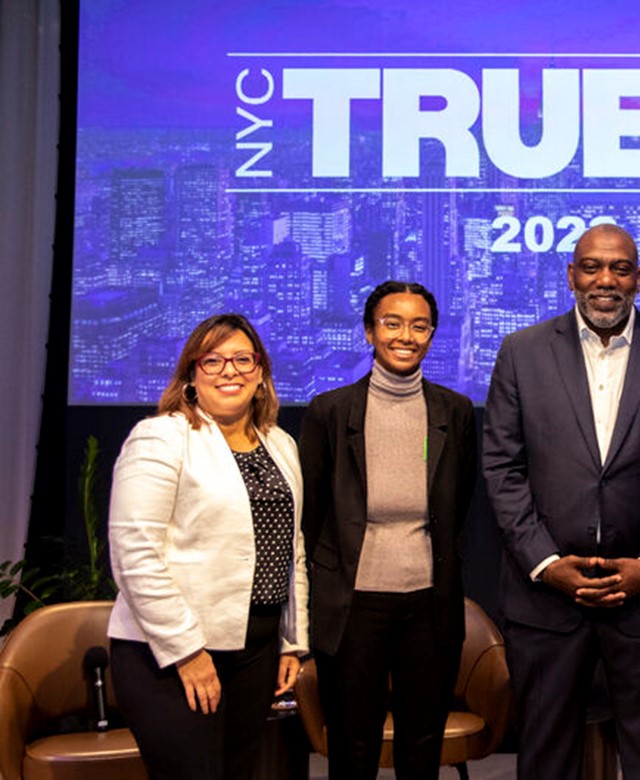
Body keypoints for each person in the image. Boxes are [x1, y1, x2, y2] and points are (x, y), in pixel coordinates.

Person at [483, 223, 640, 780]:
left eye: (619, 268)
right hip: (545, 600)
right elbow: (502, 467)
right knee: (545, 761)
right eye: (591, 266)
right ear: (571, 275)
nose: (605, 279)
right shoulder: (521, 353)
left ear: (639, 278)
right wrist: (545, 564)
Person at [107, 313, 307, 780]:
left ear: (260, 373)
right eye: (213, 360)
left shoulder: (280, 443)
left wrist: (293, 642)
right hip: (169, 652)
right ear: (191, 376)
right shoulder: (161, 437)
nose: (229, 371)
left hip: (257, 648)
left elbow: (289, 546)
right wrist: (187, 652)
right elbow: (134, 553)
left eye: (242, 359)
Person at [299, 280, 476, 780]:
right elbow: (311, 515)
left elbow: (457, 505)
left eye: (419, 326)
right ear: (369, 332)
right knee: (353, 749)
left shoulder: (454, 412)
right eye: (392, 323)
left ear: (433, 335)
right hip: (353, 603)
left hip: (429, 601)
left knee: (422, 749)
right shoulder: (329, 412)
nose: (406, 335)